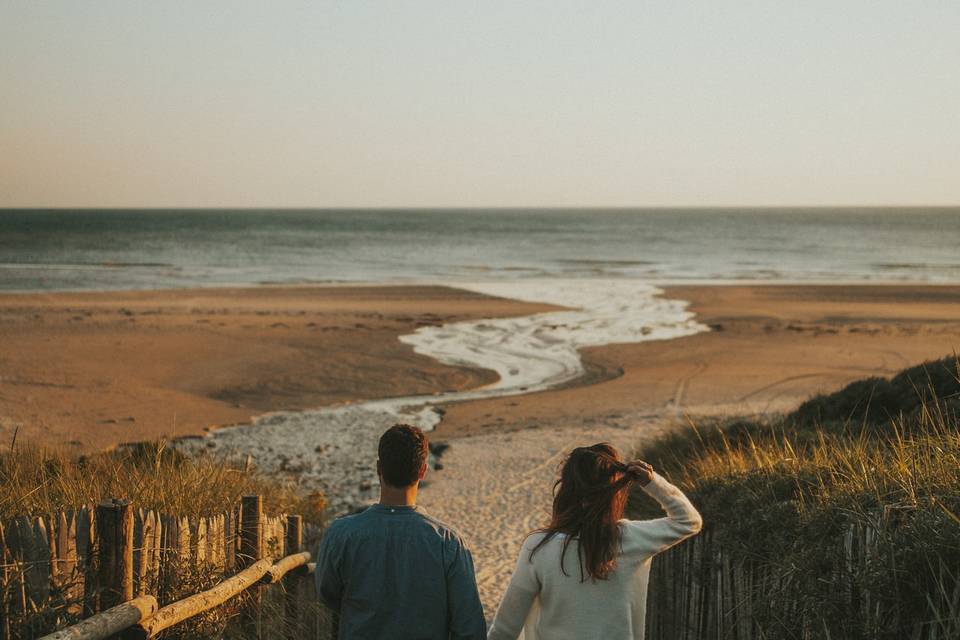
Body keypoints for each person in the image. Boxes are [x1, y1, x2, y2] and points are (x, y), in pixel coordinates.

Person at [487, 443, 702, 640]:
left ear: (566, 490)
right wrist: (652, 482)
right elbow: (689, 521)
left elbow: (505, 629)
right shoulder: (629, 537)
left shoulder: (539, 546)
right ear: (613, 491)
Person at [316, 424, 487, 639]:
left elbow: (327, 594)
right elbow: (469, 626)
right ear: (423, 470)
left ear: (379, 468)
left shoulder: (341, 534)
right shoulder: (449, 542)